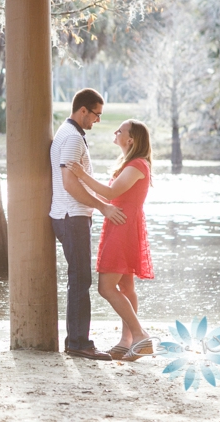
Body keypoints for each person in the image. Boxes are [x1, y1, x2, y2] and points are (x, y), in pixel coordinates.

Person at [67, 119, 154, 361]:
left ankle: (140, 335)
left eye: (120, 130)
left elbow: (110, 193)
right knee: (126, 287)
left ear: (131, 139)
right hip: (121, 223)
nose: (115, 132)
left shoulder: (137, 165)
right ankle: (127, 341)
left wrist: (81, 174)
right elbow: (112, 194)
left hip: (123, 227)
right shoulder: (131, 163)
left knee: (106, 287)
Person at [50, 88, 125, 361]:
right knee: (81, 280)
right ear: (83, 110)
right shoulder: (71, 138)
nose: (98, 120)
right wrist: (102, 207)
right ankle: (79, 343)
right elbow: (70, 184)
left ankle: (76, 341)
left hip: (70, 216)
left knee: (79, 279)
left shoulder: (70, 134)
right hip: (72, 217)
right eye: (96, 114)